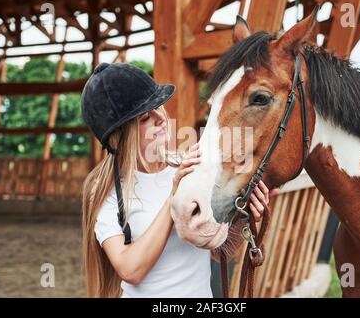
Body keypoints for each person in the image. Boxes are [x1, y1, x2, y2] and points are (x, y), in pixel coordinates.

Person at [80, 62, 272, 297]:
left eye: (158, 107)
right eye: (144, 118)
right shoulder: (105, 190)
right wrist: (174, 196)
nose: (160, 118)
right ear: (118, 138)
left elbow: (218, 251)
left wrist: (246, 216)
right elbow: (130, 270)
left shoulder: (187, 166)